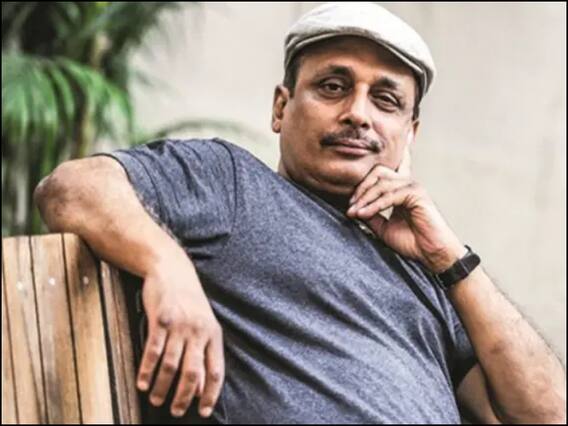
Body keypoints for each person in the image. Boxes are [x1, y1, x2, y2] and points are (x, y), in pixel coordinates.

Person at [34, 2, 565, 424]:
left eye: (385, 100)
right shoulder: (233, 184)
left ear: (410, 134)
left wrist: (451, 257)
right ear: (281, 107)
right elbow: (71, 189)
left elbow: (545, 413)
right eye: (333, 87)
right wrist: (166, 266)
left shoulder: (428, 276)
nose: (357, 113)